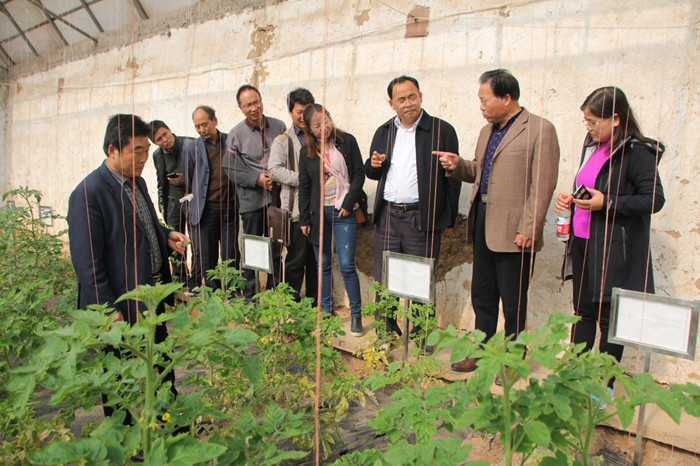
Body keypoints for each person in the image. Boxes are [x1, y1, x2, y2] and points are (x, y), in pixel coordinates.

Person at [435, 69, 560, 373]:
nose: (481, 106)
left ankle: (513, 360)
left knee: (513, 301)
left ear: (506, 98)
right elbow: (479, 171)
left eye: (484, 99)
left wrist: (529, 228)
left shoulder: (540, 129)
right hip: (484, 221)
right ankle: (482, 352)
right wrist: (458, 165)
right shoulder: (486, 131)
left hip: (516, 229)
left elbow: (543, 184)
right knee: (482, 295)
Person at [67, 114, 189, 422]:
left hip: (150, 301)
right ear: (112, 150)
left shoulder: (138, 182)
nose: (145, 157)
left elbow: (143, 225)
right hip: (121, 310)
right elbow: (87, 263)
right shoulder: (88, 193)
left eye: (147, 150)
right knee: (123, 383)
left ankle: (167, 430)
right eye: (137, 151)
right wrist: (108, 311)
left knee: (160, 371)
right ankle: (127, 438)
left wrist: (165, 235)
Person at [554, 87, 665, 392]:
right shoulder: (592, 145)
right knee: (583, 312)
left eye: (593, 122)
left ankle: (603, 386)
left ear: (615, 119)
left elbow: (653, 199)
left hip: (613, 248)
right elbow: (589, 186)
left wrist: (608, 202)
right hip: (583, 241)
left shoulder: (637, 152)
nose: (588, 128)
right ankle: (574, 378)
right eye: (586, 122)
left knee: (609, 318)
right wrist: (571, 199)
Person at [365, 75, 461, 348]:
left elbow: (453, 178)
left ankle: (421, 336)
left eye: (412, 97)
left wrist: (448, 217)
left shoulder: (441, 130)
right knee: (384, 277)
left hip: (422, 216)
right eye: (401, 99)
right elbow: (372, 171)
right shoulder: (384, 131)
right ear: (391, 104)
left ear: (420, 96)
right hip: (388, 215)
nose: (408, 103)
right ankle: (385, 334)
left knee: (421, 278)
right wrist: (373, 164)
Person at [298, 104, 365, 336]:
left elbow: (359, 174)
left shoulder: (347, 141)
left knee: (346, 265)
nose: (324, 128)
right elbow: (304, 187)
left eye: (326, 121)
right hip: (318, 215)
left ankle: (356, 315)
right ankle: (325, 312)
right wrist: (304, 219)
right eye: (317, 126)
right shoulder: (306, 152)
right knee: (323, 265)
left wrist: (349, 202)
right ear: (309, 129)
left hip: (343, 212)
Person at [223, 85, 287, 301]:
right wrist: (256, 179)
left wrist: (278, 176)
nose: (253, 108)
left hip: (276, 199)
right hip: (251, 201)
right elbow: (230, 167)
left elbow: (287, 155)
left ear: (261, 101)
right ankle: (251, 294)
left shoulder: (278, 126)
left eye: (256, 102)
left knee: (276, 247)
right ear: (240, 108)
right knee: (252, 248)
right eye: (248, 105)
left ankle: (275, 293)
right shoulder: (235, 134)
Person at [268, 88, 318, 306]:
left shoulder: (320, 135)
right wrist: (304, 178)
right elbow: (274, 170)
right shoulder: (283, 140)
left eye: (307, 111)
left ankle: (316, 305)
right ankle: (291, 305)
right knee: (296, 259)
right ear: (290, 112)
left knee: (316, 261)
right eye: (299, 112)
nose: (303, 116)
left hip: (319, 208)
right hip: (296, 209)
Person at [181, 106, 240, 292]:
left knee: (231, 253)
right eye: (197, 126)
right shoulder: (190, 148)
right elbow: (189, 180)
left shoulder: (230, 141)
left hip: (230, 209)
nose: (201, 129)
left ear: (215, 120)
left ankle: (232, 292)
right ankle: (213, 292)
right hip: (206, 211)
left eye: (204, 124)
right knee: (208, 256)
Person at [149, 120, 193, 283]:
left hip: (192, 197)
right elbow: (160, 182)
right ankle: (181, 278)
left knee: (195, 239)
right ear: (155, 143)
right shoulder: (158, 155)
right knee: (175, 240)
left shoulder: (189, 144)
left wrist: (185, 179)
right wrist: (162, 205)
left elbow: (202, 174)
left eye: (164, 134)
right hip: (173, 201)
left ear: (169, 129)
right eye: (159, 139)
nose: (164, 140)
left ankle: (196, 278)